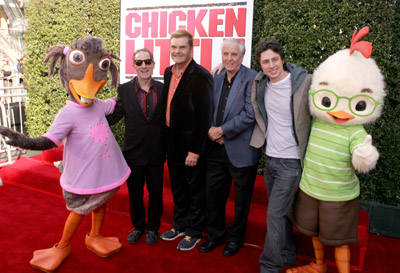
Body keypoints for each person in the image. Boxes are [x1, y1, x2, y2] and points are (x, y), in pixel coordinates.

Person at [249, 40, 312, 273]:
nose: (271, 65)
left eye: (275, 59)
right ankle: (287, 253)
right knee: (281, 212)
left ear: (283, 59)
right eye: (265, 61)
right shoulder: (261, 83)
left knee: (274, 214)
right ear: (261, 66)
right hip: (271, 158)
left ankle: (270, 265)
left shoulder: (304, 82)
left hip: (292, 161)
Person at [198, 38, 260, 257]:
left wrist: (222, 130)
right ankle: (215, 236)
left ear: (242, 57)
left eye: (234, 55)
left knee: (242, 201)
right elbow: (205, 106)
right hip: (215, 148)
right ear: (221, 55)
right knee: (213, 195)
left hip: (242, 150)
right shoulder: (215, 76)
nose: (229, 58)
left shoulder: (252, 78)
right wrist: (211, 131)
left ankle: (235, 240)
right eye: (226, 54)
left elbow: (250, 114)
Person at [160, 29, 213, 251]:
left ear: (191, 49)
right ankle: (179, 225)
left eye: (182, 47)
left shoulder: (201, 76)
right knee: (178, 188)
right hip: (172, 143)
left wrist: (195, 151)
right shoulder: (167, 72)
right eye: (174, 47)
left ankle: (193, 231)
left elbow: (204, 117)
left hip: (191, 146)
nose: (177, 51)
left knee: (194, 189)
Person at [107, 48, 165, 244]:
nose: (144, 66)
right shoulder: (124, 90)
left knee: (156, 193)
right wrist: (91, 121)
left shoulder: (163, 89)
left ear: (153, 64)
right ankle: (138, 226)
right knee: (135, 193)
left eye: (147, 62)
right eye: (139, 62)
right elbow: (114, 116)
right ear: (133, 66)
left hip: (157, 151)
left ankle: (153, 228)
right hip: (133, 153)